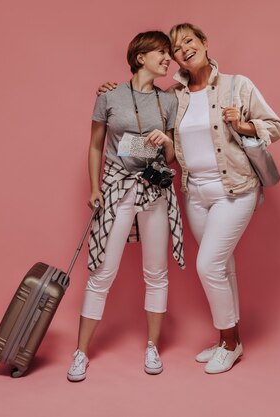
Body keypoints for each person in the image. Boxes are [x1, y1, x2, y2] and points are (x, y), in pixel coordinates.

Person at [97, 23, 280, 374]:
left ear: (204, 43)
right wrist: (112, 94)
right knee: (223, 267)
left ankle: (228, 344)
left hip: (235, 189)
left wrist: (243, 126)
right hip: (195, 193)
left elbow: (275, 125)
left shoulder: (236, 85)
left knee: (209, 265)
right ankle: (231, 340)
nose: (182, 49)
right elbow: (155, 139)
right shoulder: (174, 96)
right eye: (176, 47)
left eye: (189, 41)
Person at [67, 31, 185, 382]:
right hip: (117, 189)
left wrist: (166, 142)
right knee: (102, 271)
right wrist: (94, 188)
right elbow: (95, 147)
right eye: (161, 52)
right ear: (140, 57)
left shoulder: (170, 102)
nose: (168, 58)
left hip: (155, 192)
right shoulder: (110, 96)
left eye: (169, 53)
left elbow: (173, 158)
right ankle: (81, 352)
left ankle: (152, 345)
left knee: (156, 272)